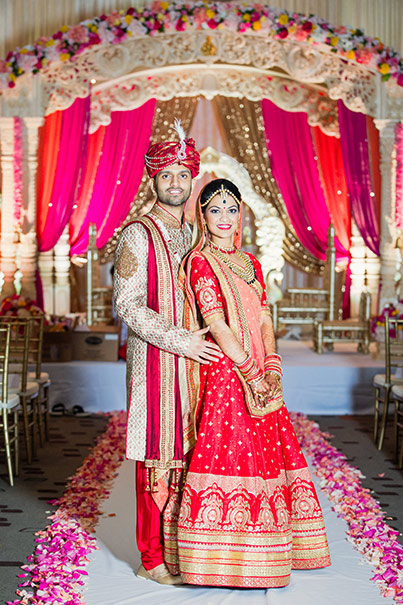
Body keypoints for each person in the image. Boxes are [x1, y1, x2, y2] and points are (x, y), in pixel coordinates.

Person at [164, 178, 331, 588]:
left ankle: (265, 551)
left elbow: (263, 317)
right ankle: (217, 559)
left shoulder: (251, 262)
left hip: (259, 367)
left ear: (241, 214)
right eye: (215, 209)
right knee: (229, 450)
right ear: (201, 215)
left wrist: (271, 364)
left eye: (232, 209)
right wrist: (250, 370)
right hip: (225, 371)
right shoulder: (200, 261)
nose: (225, 217)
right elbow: (216, 321)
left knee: (266, 449)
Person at [113, 122, 222, 585]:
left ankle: (185, 548)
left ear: (192, 178)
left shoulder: (196, 234)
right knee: (158, 455)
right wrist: (184, 341)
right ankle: (152, 557)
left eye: (183, 174)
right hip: (156, 364)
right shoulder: (137, 234)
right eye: (166, 175)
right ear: (152, 180)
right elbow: (126, 305)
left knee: (192, 454)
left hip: (199, 367)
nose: (175, 183)